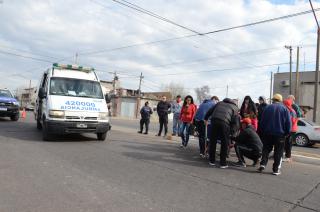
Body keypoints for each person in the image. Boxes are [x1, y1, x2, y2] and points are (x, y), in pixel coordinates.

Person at [258, 94, 291, 176]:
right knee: (278, 152)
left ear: (273, 100)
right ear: (280, 100)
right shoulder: (284, 109)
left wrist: (262, 131)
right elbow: (288, 123)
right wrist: (287, 133)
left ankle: (263, 164)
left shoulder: (267, 108)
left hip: (267, 133)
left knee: (266, 149)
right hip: (280, 134)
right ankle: (275, 169)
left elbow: (262, 121)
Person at [204, 98, 240, 168]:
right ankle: (222, 163)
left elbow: (210, 111)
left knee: (213, 141)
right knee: (224, 143)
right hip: (224, 122)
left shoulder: (219, 103)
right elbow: (235, 123)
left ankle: (211, 161)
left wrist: (205, 118)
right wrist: (232, 133)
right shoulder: (235, 108)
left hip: (214, 121)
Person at [283, 98, 298, 162]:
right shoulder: (291, 110)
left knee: (288, 143)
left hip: (291, 129)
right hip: (292, 129)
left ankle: (288, 157)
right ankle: (287, 156)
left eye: (284, 104)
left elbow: (292, 121)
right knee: (288, 143)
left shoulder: (290, 111)